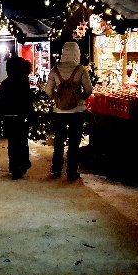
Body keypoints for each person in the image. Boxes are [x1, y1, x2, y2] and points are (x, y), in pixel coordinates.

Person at [44, 41, 93, 181]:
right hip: (77, 111)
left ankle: (56, 168)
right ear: (76, 53)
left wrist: (56, 97)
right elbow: (89, 89)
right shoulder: (81, 70)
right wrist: (80, 98)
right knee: (74, 141)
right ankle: (72, 171)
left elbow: (48, 90)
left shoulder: (55, 70)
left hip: (59, 111)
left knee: (59, 140)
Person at [0, 56, 33, 180]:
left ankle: (14, 167)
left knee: (12, 143)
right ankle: (22, 165)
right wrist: (29, 115)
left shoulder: (5, 83)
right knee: (22, 142)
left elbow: (1, 101)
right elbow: (27, 101)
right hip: (21, 116)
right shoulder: (24, 82)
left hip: (8, 117)